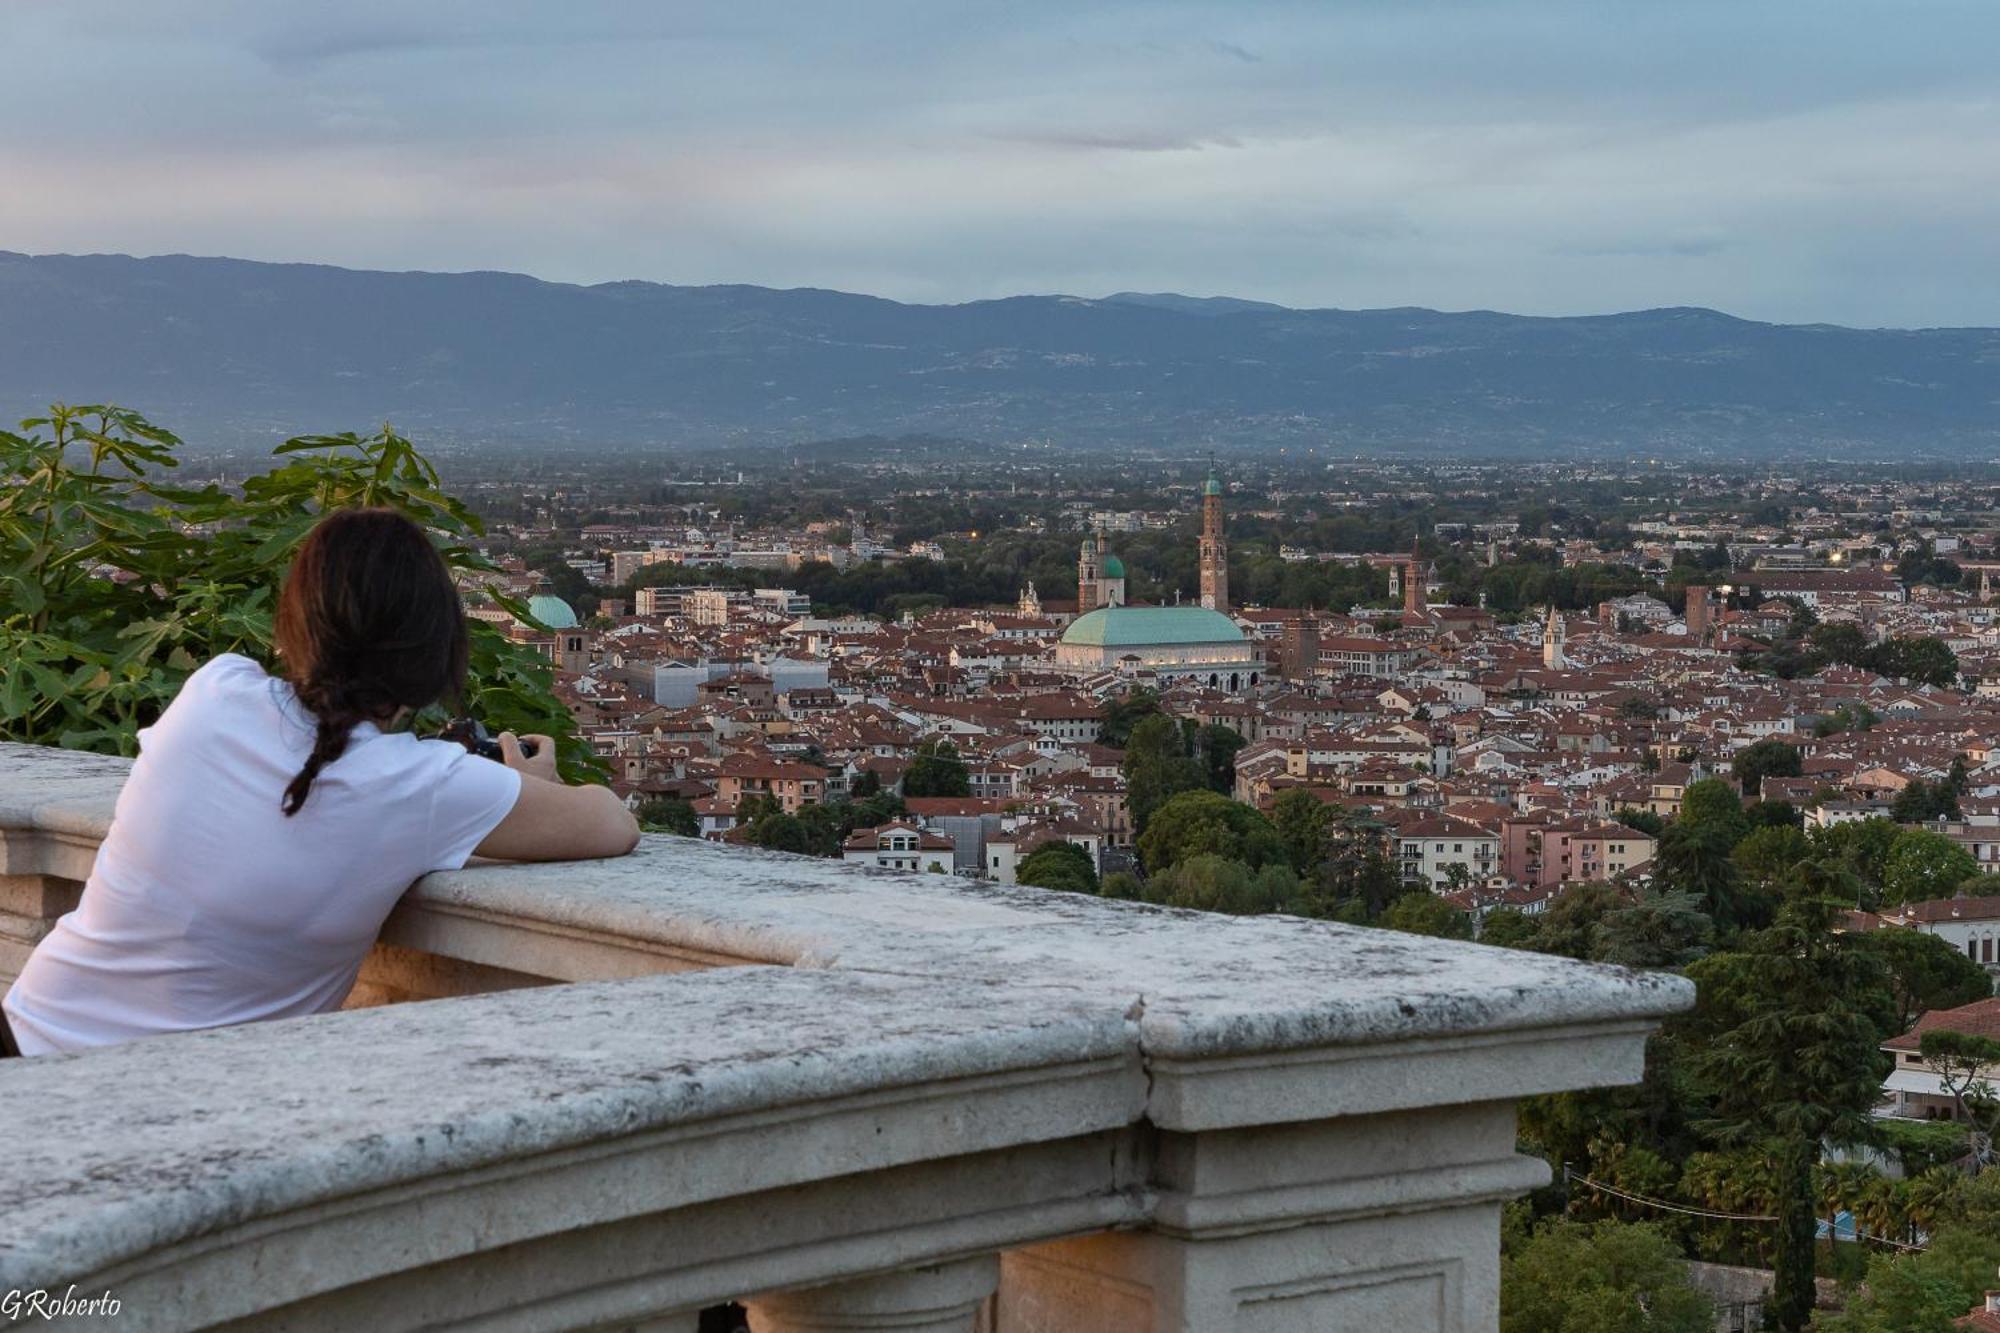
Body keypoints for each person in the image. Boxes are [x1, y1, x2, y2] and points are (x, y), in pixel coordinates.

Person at [0, 507, 638, 1058]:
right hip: (144, 1106)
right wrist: (539, 784)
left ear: (296, 621)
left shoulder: (212, 694)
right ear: (432, 652)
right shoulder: (423, 786)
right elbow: (612, 824)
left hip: (26, 1035)